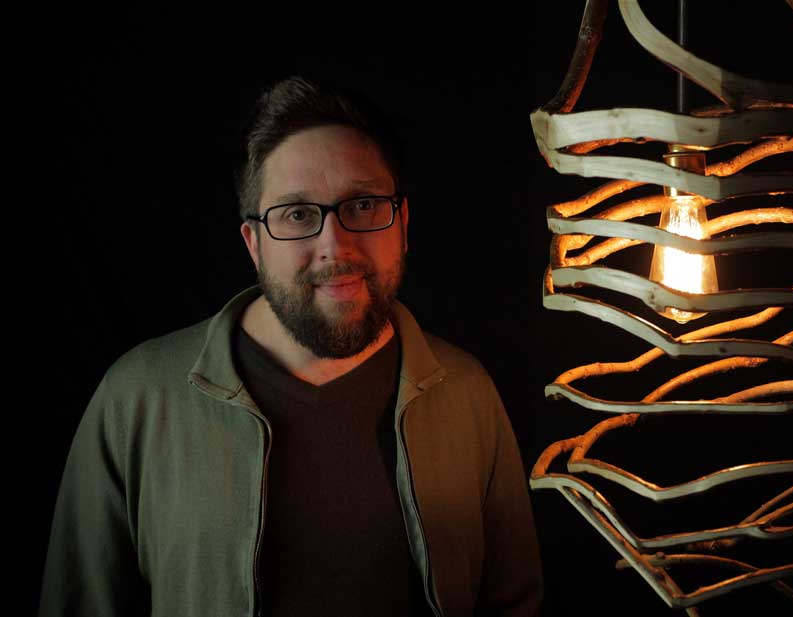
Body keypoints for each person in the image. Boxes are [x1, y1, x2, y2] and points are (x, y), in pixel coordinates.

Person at [39, 76, 543, 617]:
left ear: (403, 224)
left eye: (363, 205)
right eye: (298, 214)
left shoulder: (467, 393)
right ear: (253, 243)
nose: (335, 245)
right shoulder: (136, 399)